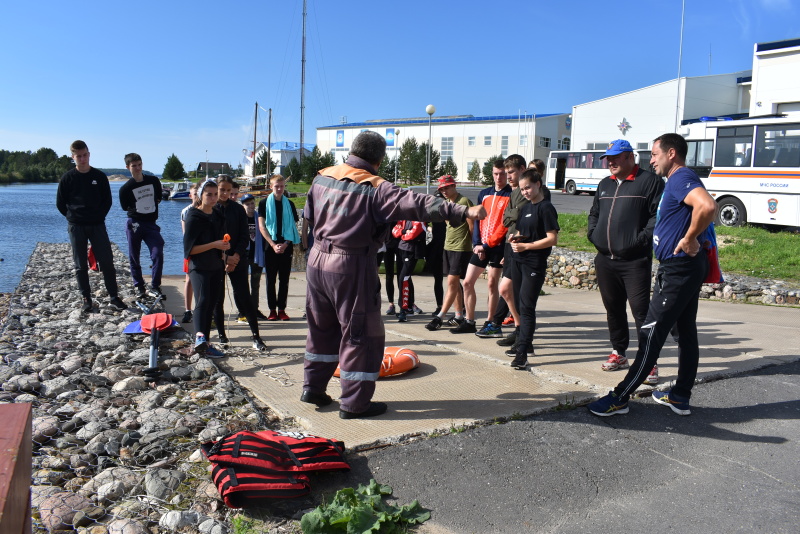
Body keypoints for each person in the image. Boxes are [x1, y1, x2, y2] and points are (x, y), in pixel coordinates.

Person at [301, 131, 486, 419]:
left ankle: (312, 387)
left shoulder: (322, 176)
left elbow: (309, 219)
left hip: (316, 260)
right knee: (359, 335)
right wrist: (463, 211)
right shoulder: (375, 186)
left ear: (353, 150)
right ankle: (354, 403)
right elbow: (419, 203)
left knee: (321, 328)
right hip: (350, 266)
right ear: (379, 158)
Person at [588, 133, 717, 417]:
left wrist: (689, 237)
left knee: (649, 333)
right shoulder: (677, 180)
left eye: (656, 154)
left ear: (672, 153)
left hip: (679, 268)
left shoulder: (681, 177)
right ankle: (680, 395)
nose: (652, 160)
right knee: (686, 333)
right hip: (683, 268)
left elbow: (707, 206)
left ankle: (620, 397)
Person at [587, 139, 665, 385]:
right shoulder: (604, 184)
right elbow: (594, 214)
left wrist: (639, 240)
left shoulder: (650, 182)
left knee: (641, 311)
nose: (610, 162)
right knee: (613, 309)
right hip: (605, 259)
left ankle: (648, 362)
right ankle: (619, 352)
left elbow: (657, 216)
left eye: (615, 157)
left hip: (635, 261)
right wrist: (593, 235)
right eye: (608, 158)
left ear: (630, 156)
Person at [56, 140, 126, 312]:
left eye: (85, 155)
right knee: (80, 264)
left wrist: (98, 216)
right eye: (78, 156)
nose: (82, 158)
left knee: (107, 261)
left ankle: (114, 297)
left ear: (89, 154)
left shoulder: (99, 177)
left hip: (97, 225)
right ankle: (86, 298)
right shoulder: (67, 178)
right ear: (73, 157)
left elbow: (107, 201)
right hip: (76, 226)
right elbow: (60, 203)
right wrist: (73, 217)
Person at [451, 159, 511, 335]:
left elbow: (504, 225)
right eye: (495, 173)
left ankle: (490, 321)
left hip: (497, 246)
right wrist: (477, 243)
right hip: (480, 246)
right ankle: (469, 321)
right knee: (468, 282)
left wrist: (486, 245)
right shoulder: (484, 194)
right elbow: (477, 220)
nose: (499, 177)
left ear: (507, 174)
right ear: (491, 174)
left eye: (502, 174)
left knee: (492, 284)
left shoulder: (510, 195)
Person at [507, 169, 559, 370]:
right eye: (522, 189)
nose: (526, 192)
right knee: (520, 306)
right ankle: (525, 344)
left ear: (538, 184)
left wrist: (526, 246)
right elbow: (521, 231)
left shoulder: (546, 208)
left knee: (527, 307)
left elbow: (552, 238)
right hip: (519, 260)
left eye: (528, 187)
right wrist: (515, 239)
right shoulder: (526, 208)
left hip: (534, 263)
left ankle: (522, 353)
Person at [213, 178, 267, 351]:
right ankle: (222, 336)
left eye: (229, 191)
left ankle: (256, 336)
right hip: (217, 259)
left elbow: (245, 235)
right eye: (222, 190)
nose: (225, 194)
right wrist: (225, 257)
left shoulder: (237, 209)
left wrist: (235, 256)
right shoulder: (211, 209)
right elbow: (210, 238)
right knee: (217, 298)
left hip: (238, 258)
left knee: (245, 296)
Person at [182, 179, 230, 358]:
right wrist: (214, 245)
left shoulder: (218, 214)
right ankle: (199, 339)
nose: (213, 198)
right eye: (208, 194)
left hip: (216, 265)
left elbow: (221, 241)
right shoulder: (193, 216)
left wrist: (225, 250)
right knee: (202, 300)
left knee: (212, 302)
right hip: (199, 266)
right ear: (201, 196)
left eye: (215, 194)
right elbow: (189, 250)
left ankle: (206, 344)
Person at [425, 175, 474, 331]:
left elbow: (472, 226)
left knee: (452, 282)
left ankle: (440, 316)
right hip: (448, 246)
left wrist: (475, 246)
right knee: (455, 283)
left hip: (461, 248)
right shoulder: (447, 204)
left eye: (447, 187)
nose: (444, 191)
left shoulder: (464, 202)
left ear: (454, 186)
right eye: (441, 189)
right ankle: (459, 315)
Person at [490, 154, 528, 349]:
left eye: (511, 172)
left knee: (519, 294)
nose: (508, 176)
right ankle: (519, 329)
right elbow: (507, 220)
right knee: (505, 289)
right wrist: (514, 214)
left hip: (524, 248)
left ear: (522, 169)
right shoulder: (514, 193)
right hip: (510, 245)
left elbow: (521, 216)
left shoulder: (531, 190)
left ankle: (522, 335)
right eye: (506, 173)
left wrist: (513, 215)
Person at [118, 153, 165, 300]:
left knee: (157, 253)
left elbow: (158, 198)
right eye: (134, 166)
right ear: (128, 167)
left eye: (139, 165)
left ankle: (155, 286)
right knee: (134, 256)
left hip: (151, 224)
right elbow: (125, 207)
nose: (137, 168)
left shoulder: (153, 180)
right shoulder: (125, 188)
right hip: (134, 224)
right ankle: (139, 286)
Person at [258, 175, 299, 321]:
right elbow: (262, 227)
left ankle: (282, 309)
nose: (280, 189)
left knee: (284, 279)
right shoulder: (263, 203)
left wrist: (286, 244)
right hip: (270, 246)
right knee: (270, 279)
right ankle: (272, 310)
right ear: (271, 186)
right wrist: (273, 244)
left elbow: (293, 228)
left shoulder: (290, 204)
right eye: (277, 186)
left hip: (286, 245)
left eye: (282, 186)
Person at [239, 194, 268, 321]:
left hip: (257, 255)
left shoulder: (259, 218)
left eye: (252, 203)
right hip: (243, 256)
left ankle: (255, 309)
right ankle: (243, 312)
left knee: (255, 285)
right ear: (243, 205)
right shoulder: (240, 219)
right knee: (242, 285)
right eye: (247, 204)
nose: (250, 206)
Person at [392, 219, 427, 321]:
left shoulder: (419, 218)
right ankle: (408, 307)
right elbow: (394, 231)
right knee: (404, 279)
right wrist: (403, 231)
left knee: (403, 279)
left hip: (411, 251)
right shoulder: (403, 217)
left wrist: (402, 234)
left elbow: (412, 235)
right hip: (401, 250)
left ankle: (404, 309)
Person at [180, 183, 199, 323]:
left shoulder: (206, 209)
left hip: (205, 250)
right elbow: (185, 233)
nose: (196, 196)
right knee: (189, 279)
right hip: (190, 250)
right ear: (190, 195)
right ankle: (188, 310)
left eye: (198, 192)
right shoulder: (186, 211)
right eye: (194, 193)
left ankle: (200, 309)